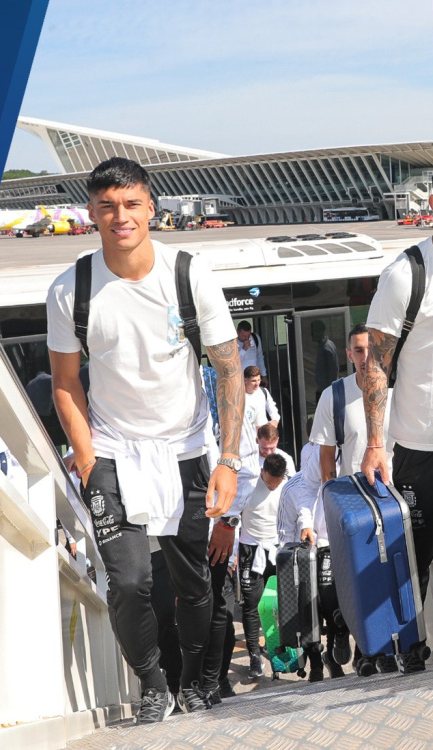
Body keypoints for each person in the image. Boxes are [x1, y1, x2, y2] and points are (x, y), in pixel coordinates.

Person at [47, 157, 243, 723]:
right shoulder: (71, 289)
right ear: (91, 213)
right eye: (107, 206)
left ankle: (194, 680)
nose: (121, 217)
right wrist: (88, 460)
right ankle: (154, 684)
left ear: (151, 208)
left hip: (185, 448)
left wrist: (229, 459)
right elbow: (64, 382)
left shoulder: (189, 276)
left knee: (195, 582)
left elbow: (229, 369)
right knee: (129, 581)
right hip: (112, 450)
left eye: (131, 204)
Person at [362, 236, 433, 674]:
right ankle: (407, 646)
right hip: (420, 447)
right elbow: (376, 363)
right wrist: (375, 444)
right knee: (414, 561)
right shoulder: (407, 274)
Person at [276, 440, 350, 681]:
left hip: (331, 548)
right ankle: (316, 663)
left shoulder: (340, 478)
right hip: (302, 555)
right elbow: (284, 530)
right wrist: (288, 562)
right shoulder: (292, 487)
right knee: (309, 609)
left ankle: (334, 652)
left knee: (331, 601)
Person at [228, 428, 294, 678]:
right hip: (250, 549)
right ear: (262, 471)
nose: (272, 486)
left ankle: (283, 647)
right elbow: (233, 518)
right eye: (269, 482)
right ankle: (254, 655)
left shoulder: (286, 486)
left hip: (277, 548)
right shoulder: (247, 484)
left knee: (282, 601)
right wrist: (234, 553)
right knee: (251, 604)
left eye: (276, 484)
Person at [311, 322, 394, 484]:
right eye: (359, 350)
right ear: (350, 355)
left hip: (395, 491)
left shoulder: (396, 392)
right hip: (353, 493)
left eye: (370, 349)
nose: (366, 358)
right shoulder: (332, 396)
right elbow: (327, 455)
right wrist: (331, 494)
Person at [311, 320, 339, 402]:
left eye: (313, 331)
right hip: (323, 390)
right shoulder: (323, 346)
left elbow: (332, 371)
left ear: (320, 331)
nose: (311, 334)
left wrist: (328, 393)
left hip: (326, 392)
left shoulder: (326, 348)